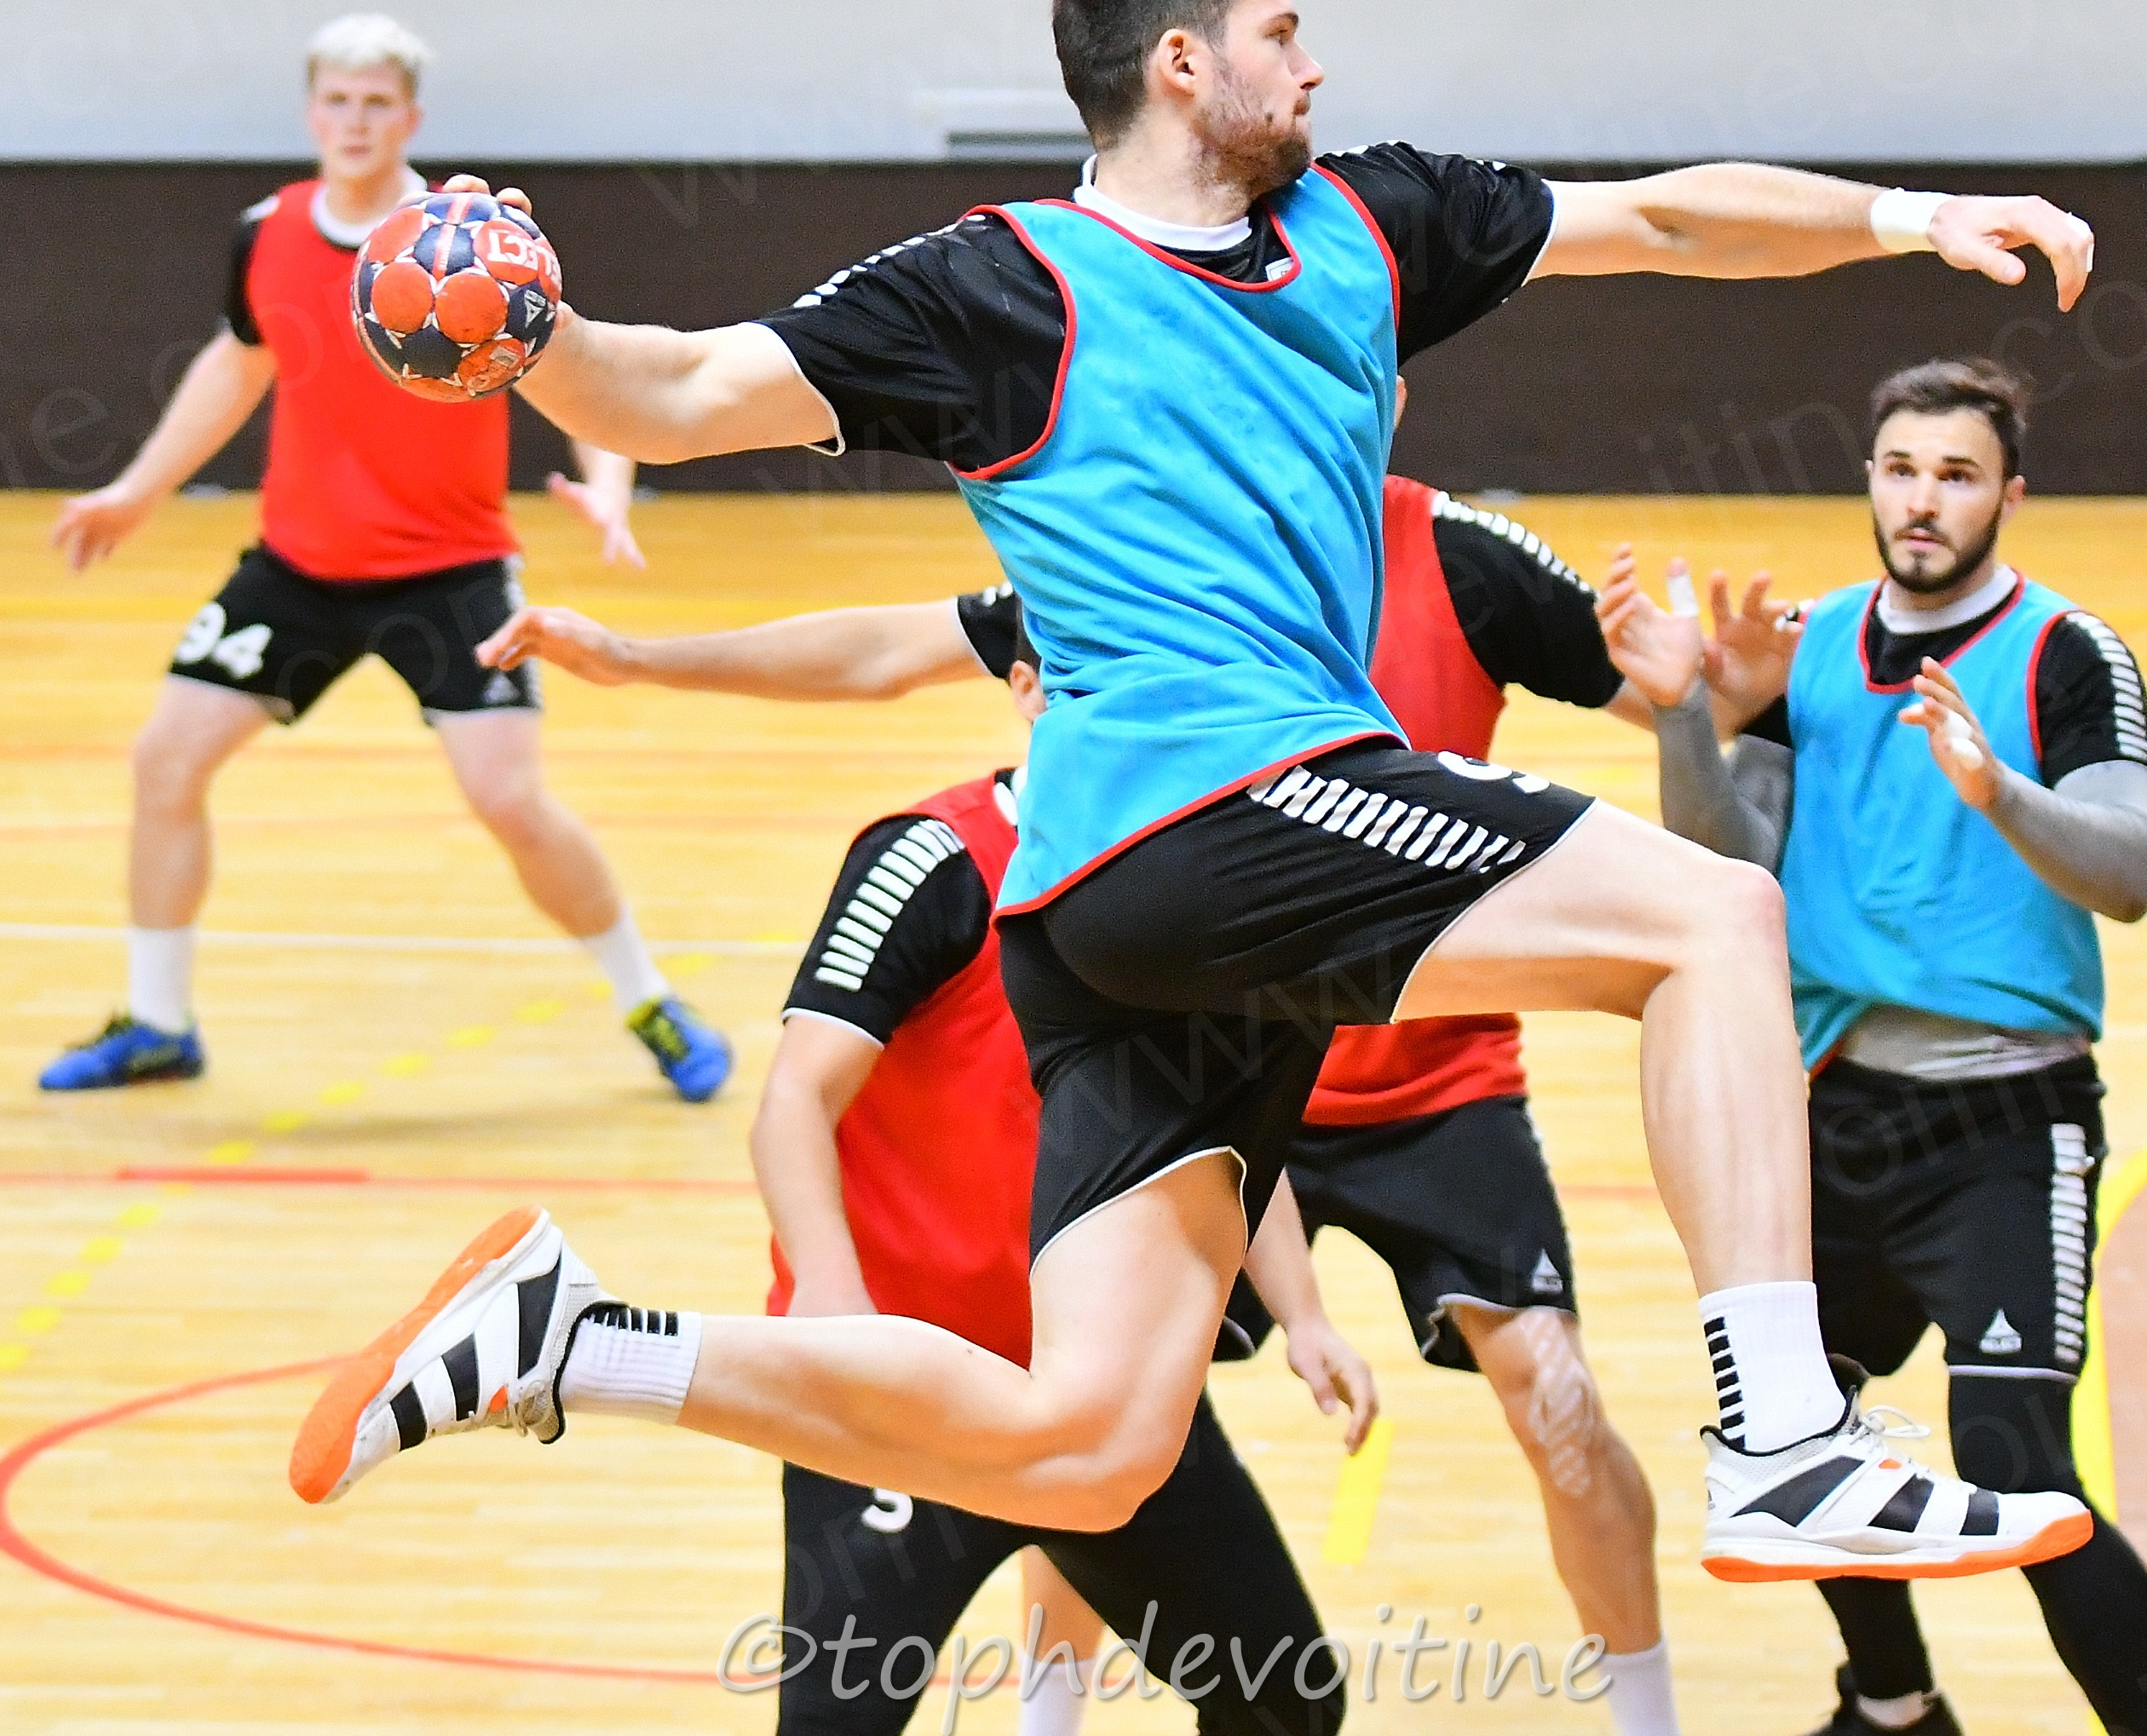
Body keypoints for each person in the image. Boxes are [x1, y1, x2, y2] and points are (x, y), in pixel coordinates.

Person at [293, 0, 2105, 1594]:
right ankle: (1783, 1439)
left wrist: (1906, 214)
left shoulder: (1373, 220)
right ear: (1182, 63)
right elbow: (678, 391)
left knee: (1087, 1448)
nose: (1312, 65)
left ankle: (567, 1343)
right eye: (1280, 32)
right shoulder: (1001, 287)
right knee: (1713, 916)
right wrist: (531, 336)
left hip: (1102, 911)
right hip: (1215, 802)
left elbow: (1666, 222)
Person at [481, 464, 1695, 1730]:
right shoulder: (980, 806)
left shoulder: (1407, 620)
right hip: (1014, 1259)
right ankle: (588, 1351)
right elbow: (876, 664)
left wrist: (1304, 1314)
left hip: (1243, 1225)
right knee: (922, 1623)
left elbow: (1213, 1132)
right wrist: (636, 656)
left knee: (1332, 1636)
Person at [1606, 357, 2147, 1736]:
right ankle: (1894, 1705)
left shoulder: (2067, 652)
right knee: (1793, 1446)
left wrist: (2000, 793)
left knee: (2015, 1461)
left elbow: (2132, 873)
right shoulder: (1803, 644)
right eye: (1904, 470)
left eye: (1959, 475)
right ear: (1870, 477)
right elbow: (1729, 863)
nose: (1925, 500)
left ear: (2010, 496)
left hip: (2006, 1120)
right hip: (1834, 1114)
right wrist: (1693, 713)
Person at [39, 14, 728, 1101]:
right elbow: (238, 361)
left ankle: (650, 1000)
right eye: (336, 100)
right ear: (310, 111)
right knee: (164, 761)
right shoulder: (265, 232)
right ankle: (158, 1023)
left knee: (510, 801)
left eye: (376, 104)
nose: (354, 121)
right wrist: (138, 489)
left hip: (450, 573)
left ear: (411, 118)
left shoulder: (464, 238)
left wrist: (607, 488)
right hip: (299, 569)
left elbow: (578, 363)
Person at [750, 624, 1367, 1733]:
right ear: (1026, 687)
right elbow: (794, 1100)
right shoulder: (933, 861)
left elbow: (1219, 1130)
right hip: (905, 1394)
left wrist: (1305, 1314)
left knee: (1287, 1702)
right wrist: (835, 1309)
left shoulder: (1186, 878)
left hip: (1098, 1389)